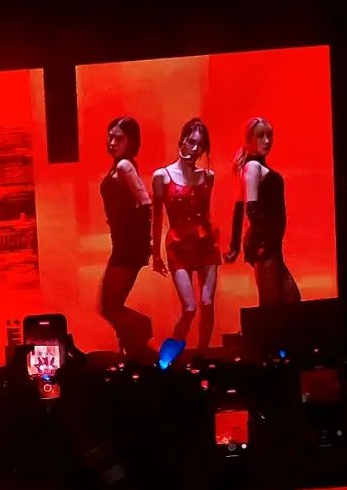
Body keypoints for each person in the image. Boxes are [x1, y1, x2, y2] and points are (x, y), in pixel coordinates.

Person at [150, 118, 219, 350]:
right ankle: (170, 357)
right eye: (191, 142)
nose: (195, 149)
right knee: (189, 308)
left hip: (205, 242)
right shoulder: (162, 176)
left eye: (200, 145)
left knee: (207, 302)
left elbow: (205, 213)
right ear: (181, 142)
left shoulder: (208, 176)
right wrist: (155, 254)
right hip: (179, 244)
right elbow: (157, 216)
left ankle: (203, 353)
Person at [225, 117, 300, 306]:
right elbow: (250, 209)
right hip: (264, 246)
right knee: (272, 305)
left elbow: (238, 207)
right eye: (260, 136)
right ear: (249, 139)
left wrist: (235, 246)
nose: (267, 141)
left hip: (269, 244)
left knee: (289, 298)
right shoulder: (252, 167)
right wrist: (264, 242)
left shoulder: (252, 167)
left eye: (269, 136)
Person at [98, 117, 155, 360]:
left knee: (109, 306)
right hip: (123, 244)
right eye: (110, 137)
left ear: (131, 141)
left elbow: (145, 203)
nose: (112, 142)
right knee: (110, 305)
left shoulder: (124, 166)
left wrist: (144, 241)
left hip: (128, 246)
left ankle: (142, 335)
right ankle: (135, 350)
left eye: (118, 138)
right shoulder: (120, 166)